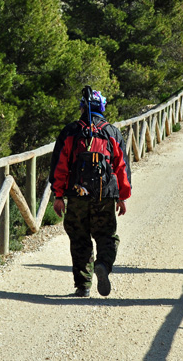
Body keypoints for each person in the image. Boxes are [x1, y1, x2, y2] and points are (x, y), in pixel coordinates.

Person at [48, 87, 132, 297]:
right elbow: (121, 167)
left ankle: (83, 285)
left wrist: (58, 196)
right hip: (105, 196)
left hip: (77, 196)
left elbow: (59, 167)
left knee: (79, 239)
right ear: (102, 107)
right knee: (107, 237)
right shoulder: (112, 132)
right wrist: (122, 196)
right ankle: (102, 264)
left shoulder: (70, 131)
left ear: (82, 107)